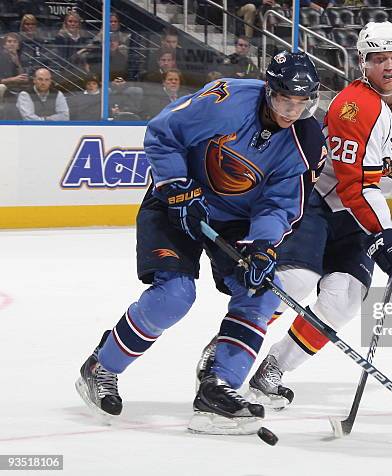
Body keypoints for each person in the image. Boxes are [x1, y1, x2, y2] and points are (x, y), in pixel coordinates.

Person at [195, 21, 392, 409]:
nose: (389, 67)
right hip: (317, 202)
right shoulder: (351, 108)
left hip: (361, 212)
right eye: (378, 59)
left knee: (345, 299)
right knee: (294, 281)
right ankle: (226, 351)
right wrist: (385, 237)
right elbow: (354, 187)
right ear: (363, 63)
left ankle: (273, 369)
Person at [75, 51, 326, 434]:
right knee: (174, 296)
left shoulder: (304, 141)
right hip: (177, 200)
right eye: (284, 100)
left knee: (261, 293)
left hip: (236, 220)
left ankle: (217, 386)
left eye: (301, 102)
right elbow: (163, 133)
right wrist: (177, 186)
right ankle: (102, 366)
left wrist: (263, 245)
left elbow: (281, 202)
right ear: (268, 89)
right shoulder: (225, 100)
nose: (292, 111)